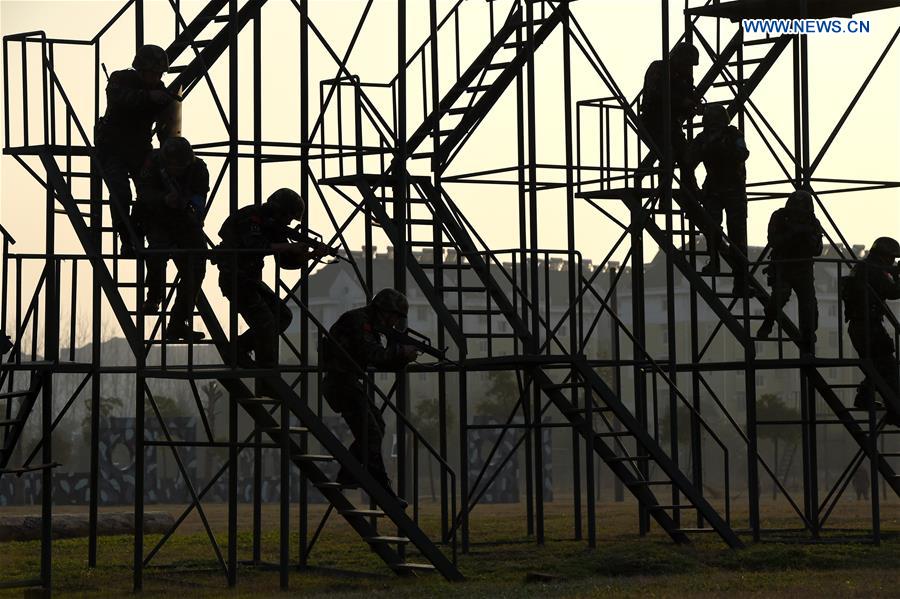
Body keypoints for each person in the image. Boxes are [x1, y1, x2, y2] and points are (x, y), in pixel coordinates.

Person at [215, 188, 327, 394]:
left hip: (250, 281)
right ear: (280, 211)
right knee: (265, 322)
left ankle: (239, 348)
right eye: (288, 218)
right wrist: (288, 247)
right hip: (236, 278)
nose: (288, 224)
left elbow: (287, 262)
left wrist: (311, 255)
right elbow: (254, 246)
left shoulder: (273, 226)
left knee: (282, 315)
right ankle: (266, 381)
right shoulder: (252, 217)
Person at [319, 289, 418, 507]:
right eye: (394, 317)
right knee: (371, 432)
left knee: (377, 426)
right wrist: (400, 353)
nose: (394, 323)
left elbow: (382, 361)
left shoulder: (370, 326)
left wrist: (402, 358)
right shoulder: (359, 322)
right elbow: (373, 355)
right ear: (384, 311)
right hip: (340, 382)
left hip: (347, 382)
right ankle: (381, 490)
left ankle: (348, 473)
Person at [95, 44, 174, 256]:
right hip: (112, 149)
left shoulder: (159, 89)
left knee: (149, 193)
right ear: (141, 69)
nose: (156, 77)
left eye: (159, 74)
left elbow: (167, 123)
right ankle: (126, 237)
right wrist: (148, 98)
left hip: (140, 150)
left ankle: (140, 233)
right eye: (152, 72)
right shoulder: (120, 79)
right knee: (120, 192)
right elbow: (120, 98)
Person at [135, 136, 208, 342]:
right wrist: (163, 199)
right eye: (173, 166)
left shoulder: (198, 169)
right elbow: (144, 194)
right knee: (157, 254)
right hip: (156, 216)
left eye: (180, 166)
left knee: (197, 266)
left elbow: (199, 199)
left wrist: (192, 211)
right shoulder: (153, 163)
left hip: (184, 220)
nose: (177, 169)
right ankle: (154, 297)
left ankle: (177, 323)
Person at [682, 104, 751, 295]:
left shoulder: (732, 136)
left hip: (733, 191)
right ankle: (715, 263)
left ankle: (741, 282)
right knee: (712, 228)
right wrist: (693, 189)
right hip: (714, 190)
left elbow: (742, 154)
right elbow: (688, 162)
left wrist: (721, 150)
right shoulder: (704, 139)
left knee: (737, 236)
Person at [842, 237, 900, 419]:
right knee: (888, 368)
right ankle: (895, 410)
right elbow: (892, 292)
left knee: (877, 366)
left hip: (860, 326)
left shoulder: (864, 267)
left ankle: (866, 396)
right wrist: (897, 276)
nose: (893, 261)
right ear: (884, 256)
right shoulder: (873, 270)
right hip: (868, 326)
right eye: (892, 257)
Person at [757, 190, 823, 347]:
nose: (799, 214)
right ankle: (768, 323)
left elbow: (818, 250)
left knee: (809, 306)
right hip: (782, 267)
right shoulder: (779, 217)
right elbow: (773, 241)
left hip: (803, 270)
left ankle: (808, 337)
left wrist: (807, 236)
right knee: (781, 294)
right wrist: (791, 234)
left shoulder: (812, 222)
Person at [639, 42, 701, 180]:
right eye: (686, 64)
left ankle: (689, 191)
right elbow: (658, 93)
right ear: (677, 59)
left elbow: (687, 102)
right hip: (652, 121)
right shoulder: (658, 68)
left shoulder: (686, 77)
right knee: (668, 154)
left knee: (686, 157)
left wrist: (693, 108)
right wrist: (682, 102)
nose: (688, 68)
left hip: (672, 124)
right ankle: (664, 194)